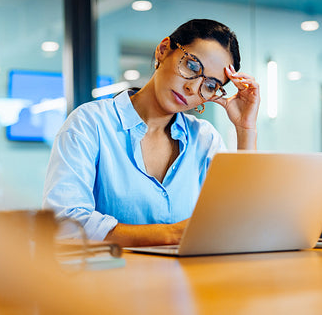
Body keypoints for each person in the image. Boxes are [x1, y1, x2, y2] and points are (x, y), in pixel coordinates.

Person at [43, 19, 260, 247]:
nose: (192, 88)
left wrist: (245, 129)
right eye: (192, 67)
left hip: (189, 280)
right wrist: (172, 234)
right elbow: (64, 224)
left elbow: (241, 224)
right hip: (107, 279)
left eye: (209, 86)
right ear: (164, 50)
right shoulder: (90, 123)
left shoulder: (204, 138)